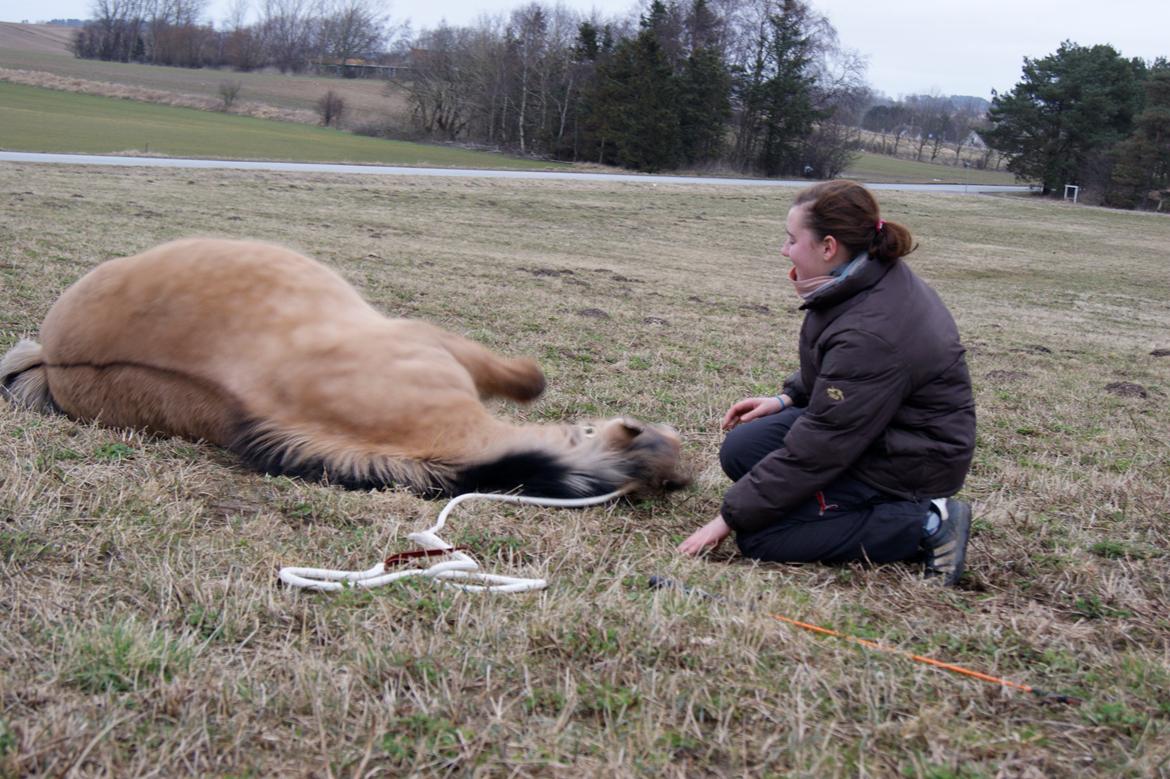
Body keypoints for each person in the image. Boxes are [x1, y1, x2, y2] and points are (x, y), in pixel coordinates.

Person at [677, 180, 977, 585]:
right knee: (743, 448)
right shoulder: (864, 278)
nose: (784, 250)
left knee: (764, 536)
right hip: (878, 429)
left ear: (828, 247)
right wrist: (786, 399)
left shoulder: (871, 329)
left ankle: (927, 522)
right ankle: (833, 504)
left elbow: (823, 443)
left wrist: (728, 518)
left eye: (791, 240)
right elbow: (844, 375)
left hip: (909, 459)